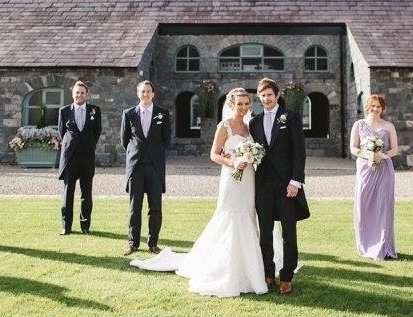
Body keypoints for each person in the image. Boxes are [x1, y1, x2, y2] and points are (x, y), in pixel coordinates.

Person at [131, 87, 269, 297]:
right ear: (231, 104)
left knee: (248, 216)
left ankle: (251, 267)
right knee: (229, 217)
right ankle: (226, 268)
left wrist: (252, 157)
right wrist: (233, 162)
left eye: (246, 103)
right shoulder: (224, 126)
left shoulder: (251, 127)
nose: (243, 107)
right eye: (239, 104)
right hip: (231, 179)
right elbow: (214, 154)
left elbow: (259, 150)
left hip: (248, 179)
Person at [249, 77, 308, 295]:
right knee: (265, 231)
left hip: (286, 185)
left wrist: (296, 182)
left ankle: (287, 276)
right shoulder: (253, 123)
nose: (266, 98)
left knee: (288, 232)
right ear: (259, 97)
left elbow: (299, 152)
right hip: (263, 184)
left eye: (269, 95)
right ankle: (268, 273)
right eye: (262, 95)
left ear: (277, 95)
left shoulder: (290, 117)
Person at [121, 80, 171, 255]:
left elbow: (167, 139)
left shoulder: (163, 114)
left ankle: (153, 243)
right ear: (138, 93)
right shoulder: (128, 114)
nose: (146, 94)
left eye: (149, 91)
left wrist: (153, 152)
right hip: (136, 166)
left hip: (155, 167)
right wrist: (137, 152)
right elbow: (125, 140)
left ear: (153, 94)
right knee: (135, 207)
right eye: (143, 91)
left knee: (155, 207)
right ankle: (133, 243)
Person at [350, 94, 399, 260]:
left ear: (383, 109)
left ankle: (383, 245)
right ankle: (367, 244)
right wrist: (368, 155)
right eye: (373, 106)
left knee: (383, 206)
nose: (376, 109)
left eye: (379, 107)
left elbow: (394, 150)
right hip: (365, 168)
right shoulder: (358, 125)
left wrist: (382, 156)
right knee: (364, 206)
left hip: (384, 168)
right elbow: (353, 148)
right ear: (367, 107)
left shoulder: (389, 126)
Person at [57, 80, 102, 235]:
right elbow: (62, 132)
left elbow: (97, 132)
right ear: (73, 94)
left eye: (82, 92)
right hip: (70, 157)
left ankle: (85, 226)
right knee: (68, 193)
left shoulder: (95, 110)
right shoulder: (64, 111)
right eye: (77, 92)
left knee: (86, 194)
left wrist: (87, 144)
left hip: (87, 157)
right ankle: (66, 226)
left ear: (86, 95)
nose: (79, 95)